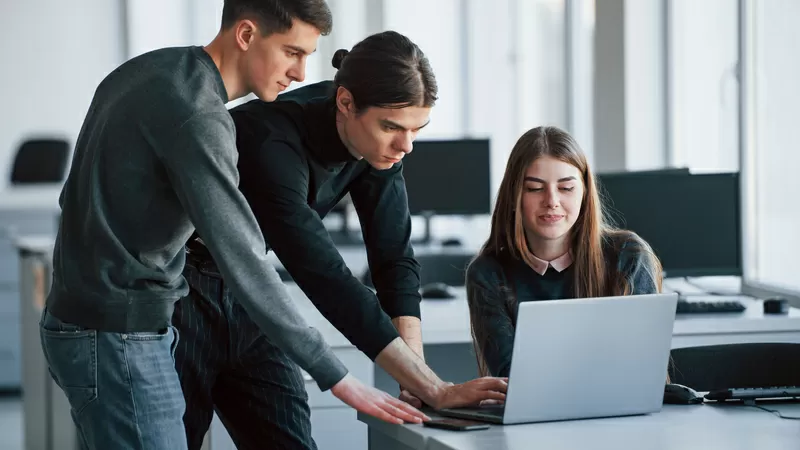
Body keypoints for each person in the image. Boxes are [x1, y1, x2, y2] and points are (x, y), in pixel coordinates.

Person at [38, 1, 423, 449]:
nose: (301, 73)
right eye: (292, 52)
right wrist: (337, 376)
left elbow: (75, 196)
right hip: (119, 327)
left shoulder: (152, 70)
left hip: (105, 318)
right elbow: (245, 258)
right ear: (245, 34)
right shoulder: (201, 116)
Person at [174, 30, 508, 449]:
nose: (406, 146)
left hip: (250, 292)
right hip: (183, 289)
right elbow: (326, 278)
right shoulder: (270, 140)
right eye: (392, 127)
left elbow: (394, 261)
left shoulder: (379, 147)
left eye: (416, 129)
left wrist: (416, 378)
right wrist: (436, 387)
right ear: (346, 102)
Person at [467, 126, 664, 378]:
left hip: (624, 411)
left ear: (584, 194)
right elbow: (513, 379)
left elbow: (643, 365)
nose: (551, 201)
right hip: (535, 415)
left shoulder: (628, 256)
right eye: (535, 188)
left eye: (566, 188)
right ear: (514, 196)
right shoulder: (488, 273)